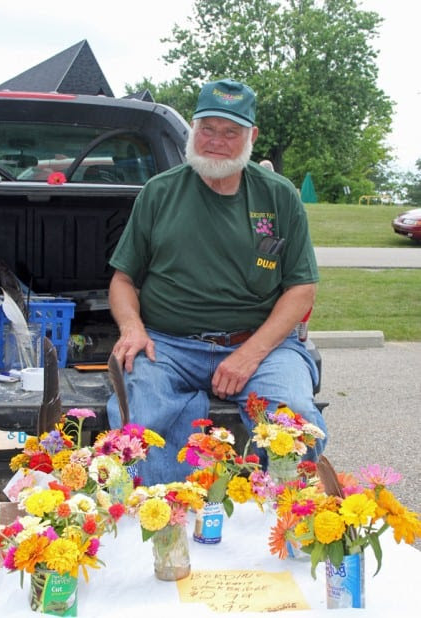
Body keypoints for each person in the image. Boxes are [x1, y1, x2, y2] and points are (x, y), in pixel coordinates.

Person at [106, 77, 327, 485]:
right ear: (193, 129)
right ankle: (167, 517)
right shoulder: (159, 192)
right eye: (207, 128)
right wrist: (133, 328)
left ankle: (279, 522)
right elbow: (123, 279)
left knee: (293, 420)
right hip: (167, 344)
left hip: (258, 344)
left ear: (252, 136)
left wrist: (250, 355)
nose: (216, 140)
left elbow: (301, 289)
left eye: (231, 132)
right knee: (138, 416)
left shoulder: (279, 197)